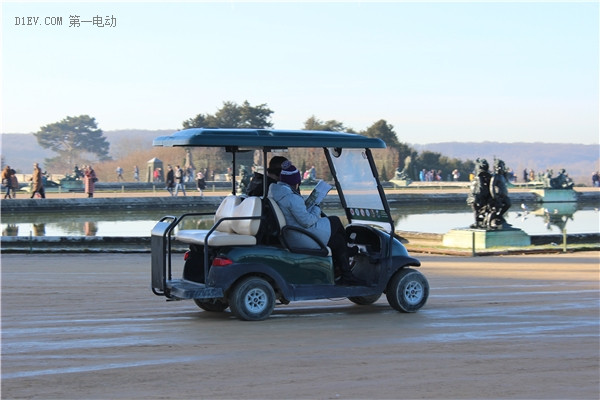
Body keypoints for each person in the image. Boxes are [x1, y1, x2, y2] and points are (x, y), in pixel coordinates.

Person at [269, 161, 365, 286]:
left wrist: (308, 206)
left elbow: (297, 213)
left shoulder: (275, 191)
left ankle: (344, 272)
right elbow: (307, 222)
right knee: (335, 221)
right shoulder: (291, 197)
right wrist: (316, 206)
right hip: (300, 234)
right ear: (295, 182)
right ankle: (347, 256)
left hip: (292, 231)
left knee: (337, 240)